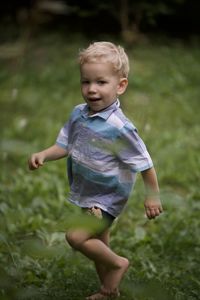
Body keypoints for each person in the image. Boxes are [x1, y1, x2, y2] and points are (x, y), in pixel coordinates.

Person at [28, 41, 163, 300]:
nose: (91, 89)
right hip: (88, 191)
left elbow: (144, 162)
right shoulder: (79, 114)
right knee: (100, 243)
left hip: (108, 197)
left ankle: (118, 264)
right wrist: (44, 154)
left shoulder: (119, 127)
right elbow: (64, 144)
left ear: (120, 85)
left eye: (101, 82)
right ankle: (109, 291)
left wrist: (153, 196)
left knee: (76, 236)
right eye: (85, 82)